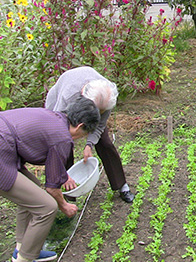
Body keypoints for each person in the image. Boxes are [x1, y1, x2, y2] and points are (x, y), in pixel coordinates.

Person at [0, 96, 100, 262]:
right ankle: (24, 259)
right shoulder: (62, 138)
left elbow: (50, 154)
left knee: (31, 186)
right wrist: (64, 206)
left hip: (5, 145)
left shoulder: (54, 119)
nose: (83, 137)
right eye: (85, 133)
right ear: (80, 126)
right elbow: (52, 189)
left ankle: (23, 247)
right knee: (47, 207)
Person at [45, 66, 135, 203]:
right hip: (62, 107)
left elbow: (99, 126)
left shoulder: (107, 94)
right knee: (65, 145)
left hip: (91, 97)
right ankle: (69, 195)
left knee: (105, 142)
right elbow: (57, 131)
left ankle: (121, 185)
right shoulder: (67, 97)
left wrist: (89, 145)